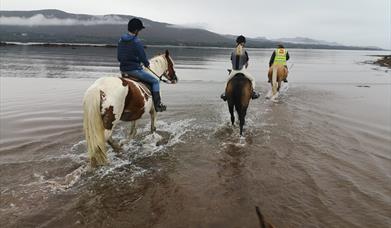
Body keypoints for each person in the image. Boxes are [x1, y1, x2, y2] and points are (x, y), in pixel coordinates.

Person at [117, 18, 166, 112]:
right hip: (134, 70)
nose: (139, 32)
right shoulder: (136, 42)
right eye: (139, 30)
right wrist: (146, 64)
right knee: (155, 81)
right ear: (136, 30)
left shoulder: (120, 40)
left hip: (123, 70)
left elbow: (119, 58)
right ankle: (158, 105)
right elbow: (143, 58)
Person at [221, 35, 259, 101]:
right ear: (243, 43)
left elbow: (232, 61)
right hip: (242, 70)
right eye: (244, 43)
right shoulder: (244, 51)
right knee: (253, 79)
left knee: (227, 81)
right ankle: (253, 93)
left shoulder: (233, 51)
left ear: (237, 42)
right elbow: (246, 63)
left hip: (234, 71)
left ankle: (225, 93)